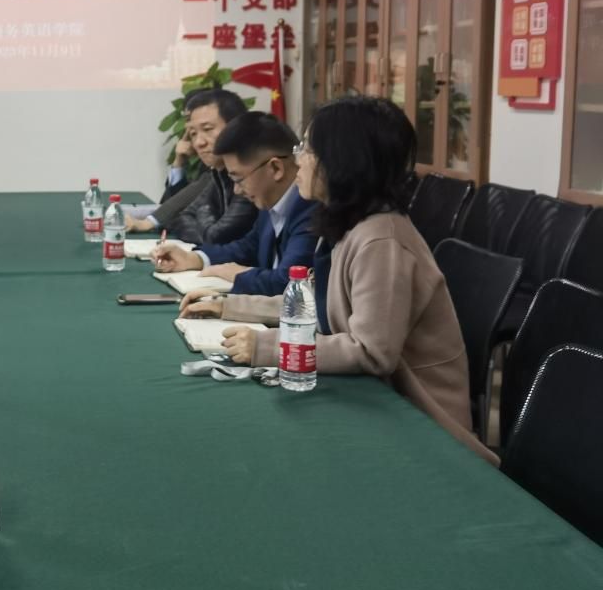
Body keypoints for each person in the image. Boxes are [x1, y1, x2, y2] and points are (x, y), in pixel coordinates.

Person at [179, 97, 491, 461]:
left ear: (343, 161)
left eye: (307, 149)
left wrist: (268, 347)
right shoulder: (351, 225)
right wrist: (229, 306)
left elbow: (371, 353)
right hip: (373, 402)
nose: (298, 160)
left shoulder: (381, 239)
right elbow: (319, 303)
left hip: (420, 425)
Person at [153, 111, 317, 296]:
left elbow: (287, 283)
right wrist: (195, 258)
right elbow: (249, 246)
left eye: (239, 179)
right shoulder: (271, 199)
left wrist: (237, 274)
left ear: (275, 168)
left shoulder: (310, 209)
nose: (237, 190)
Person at [124, 88, 256, 245]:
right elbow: (181, 217)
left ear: (235, 127)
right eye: (193, 133)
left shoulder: (251, 176)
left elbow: (217, 237)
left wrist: (201, 215)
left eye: (207, 129)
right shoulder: (218, 171)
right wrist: (179, 161)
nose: (199, 142)